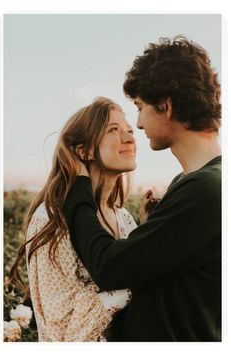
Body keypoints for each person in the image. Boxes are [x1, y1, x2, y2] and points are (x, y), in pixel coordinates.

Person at [64, 36, 221, 341]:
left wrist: (77, 191)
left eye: (139, 108)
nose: (137, 125)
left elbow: (109, 267)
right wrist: (152, 227)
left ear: (166, 106)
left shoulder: (207, 190)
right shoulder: (190, 184)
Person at [9, 97, 138, 341]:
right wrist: (135, 284)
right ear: (84, 151)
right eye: (113, 130)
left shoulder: (125, 218)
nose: (130, 138)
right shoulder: (50, 221)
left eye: (129, 130)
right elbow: (65, 331)